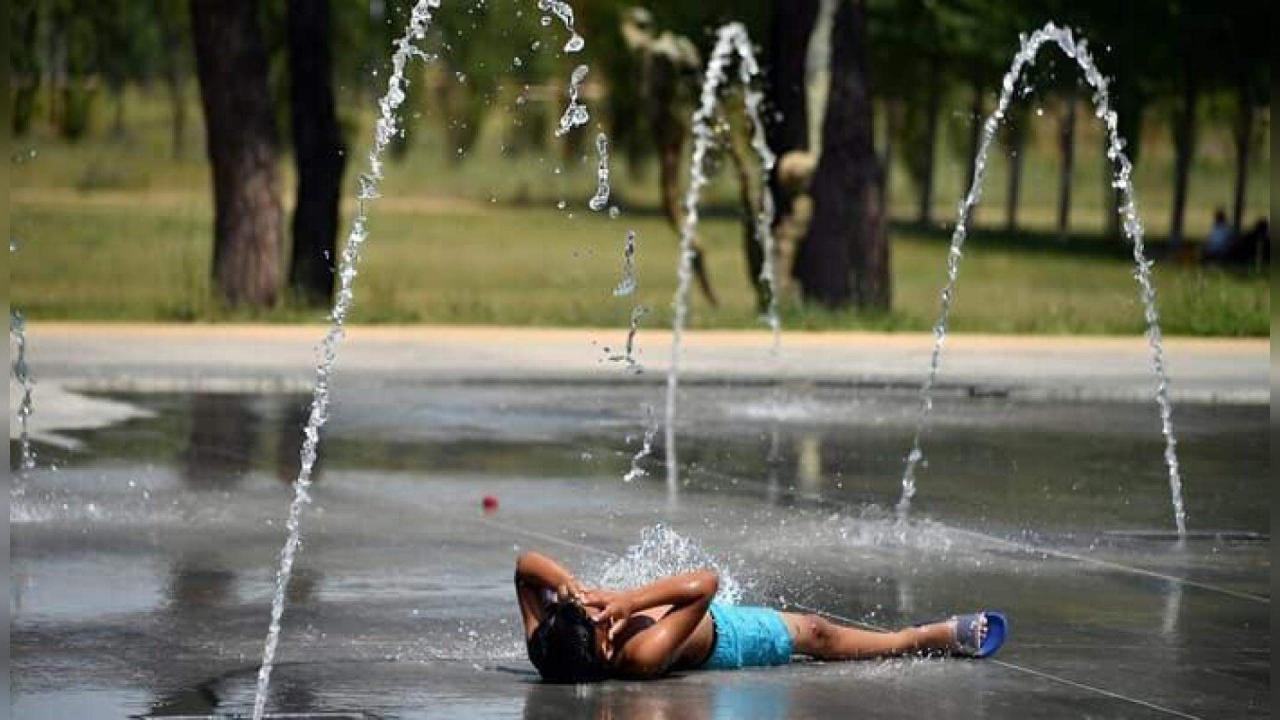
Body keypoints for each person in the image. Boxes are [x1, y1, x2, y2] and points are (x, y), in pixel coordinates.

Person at [515, 550, 1008, 682]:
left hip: (687, 612)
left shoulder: (548, 647)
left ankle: (915, 637)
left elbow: (524, 569)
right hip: (726, 638)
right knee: (816, 632)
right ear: (605, 651)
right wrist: (629, 602)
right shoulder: (641, 655)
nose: (604, 614)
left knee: (815, 628)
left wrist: (569, 588)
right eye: (603, 623)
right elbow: (705, 586)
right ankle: (918, 638)